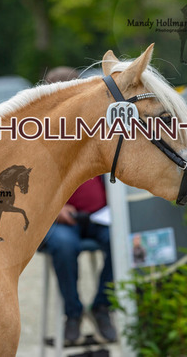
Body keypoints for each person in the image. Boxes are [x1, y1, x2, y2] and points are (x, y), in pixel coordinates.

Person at [38, 66, 117, 344]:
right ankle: (72, 314)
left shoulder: (96, 129)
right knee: (63, 245)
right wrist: (55, 209)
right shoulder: (39, 135)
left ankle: (101, 307)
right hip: (57, 221)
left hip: (99, 217)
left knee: (122, 241)